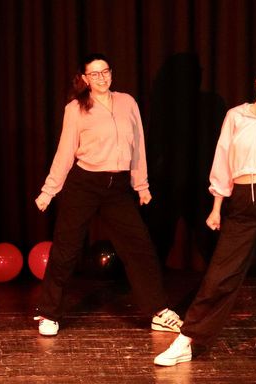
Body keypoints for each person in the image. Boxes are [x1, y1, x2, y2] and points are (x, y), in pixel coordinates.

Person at [154, 63, 256, 367]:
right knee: (220, 273)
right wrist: (217, 206)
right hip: (242, 200)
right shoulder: (236, 116)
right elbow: (223, 159)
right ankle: (186, 340)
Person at [33, 53, 182, 336]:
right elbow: (65, 153)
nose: (102, 78)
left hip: (118, 187)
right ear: (85, 79)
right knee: (66, 249)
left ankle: (159, 311)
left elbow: (138, 146)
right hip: (84, 184)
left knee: (139, 246)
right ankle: (49, 313)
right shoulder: (76, 108)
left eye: (106, 72)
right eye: (95, 74)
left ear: (111, 74)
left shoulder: (127, 102)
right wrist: (49, 191)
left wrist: (142, 185)